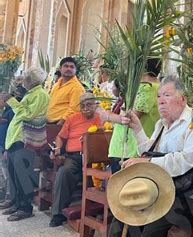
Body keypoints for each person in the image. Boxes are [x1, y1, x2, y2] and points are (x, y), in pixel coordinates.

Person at [108, 75, 193, 237]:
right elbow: (149, 152)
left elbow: (187, 160)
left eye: (167, 95)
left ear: (183, 99)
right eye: (159, 96)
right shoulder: (161, 124)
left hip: (186, 191)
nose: (161, 101)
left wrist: (147, 162)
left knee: (150, 231)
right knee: (123, 213)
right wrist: (137, 128)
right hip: (160, 186)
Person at [49, 93, 129, 227]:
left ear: (95, 105)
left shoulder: (101, 118)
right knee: (64, 172)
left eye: (89, 105)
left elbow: (109, 133)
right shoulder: (72, 118)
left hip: (96, 159)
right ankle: (57, 214)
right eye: (83, 105)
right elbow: (60, 137)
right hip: (74, 157)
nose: (86, 108)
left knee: (103, 176)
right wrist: (57, 148)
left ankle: (105, 211)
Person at [2, 67, 50, 221]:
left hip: (26, 138)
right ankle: (17, 204)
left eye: (26, 79)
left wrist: (11, 100)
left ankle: (25, 208)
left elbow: (28, 114)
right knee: (14, 173)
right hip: (16, 138)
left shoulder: (41, 94)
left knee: (23, 174)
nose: (23, 82)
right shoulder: (31, 94)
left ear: (32, 80)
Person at [108, 59, 160, 173]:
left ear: (142, 68)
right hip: (130, 146)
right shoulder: (156, 87)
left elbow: (129, 117)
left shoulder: (147, 88)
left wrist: (106, 115)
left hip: (129, 148)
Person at [0, 84, 27, 202]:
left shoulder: (12, 112)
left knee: (8, 174)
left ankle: (9, 196)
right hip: (4, 145)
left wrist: (6, 149)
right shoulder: (6, 111)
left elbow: (11, 131)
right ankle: (8, 196)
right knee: (5, 171)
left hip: (10, 145)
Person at [46, 57, 85, 125]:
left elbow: (74, 110)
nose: (68, 69)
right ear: (60, 69)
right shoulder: (56, 84)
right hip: (50, 123)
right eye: (66, 66)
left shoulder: (77, 88)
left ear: (75, 70)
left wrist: (60, 124)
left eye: (72, 67)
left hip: (61, 125)